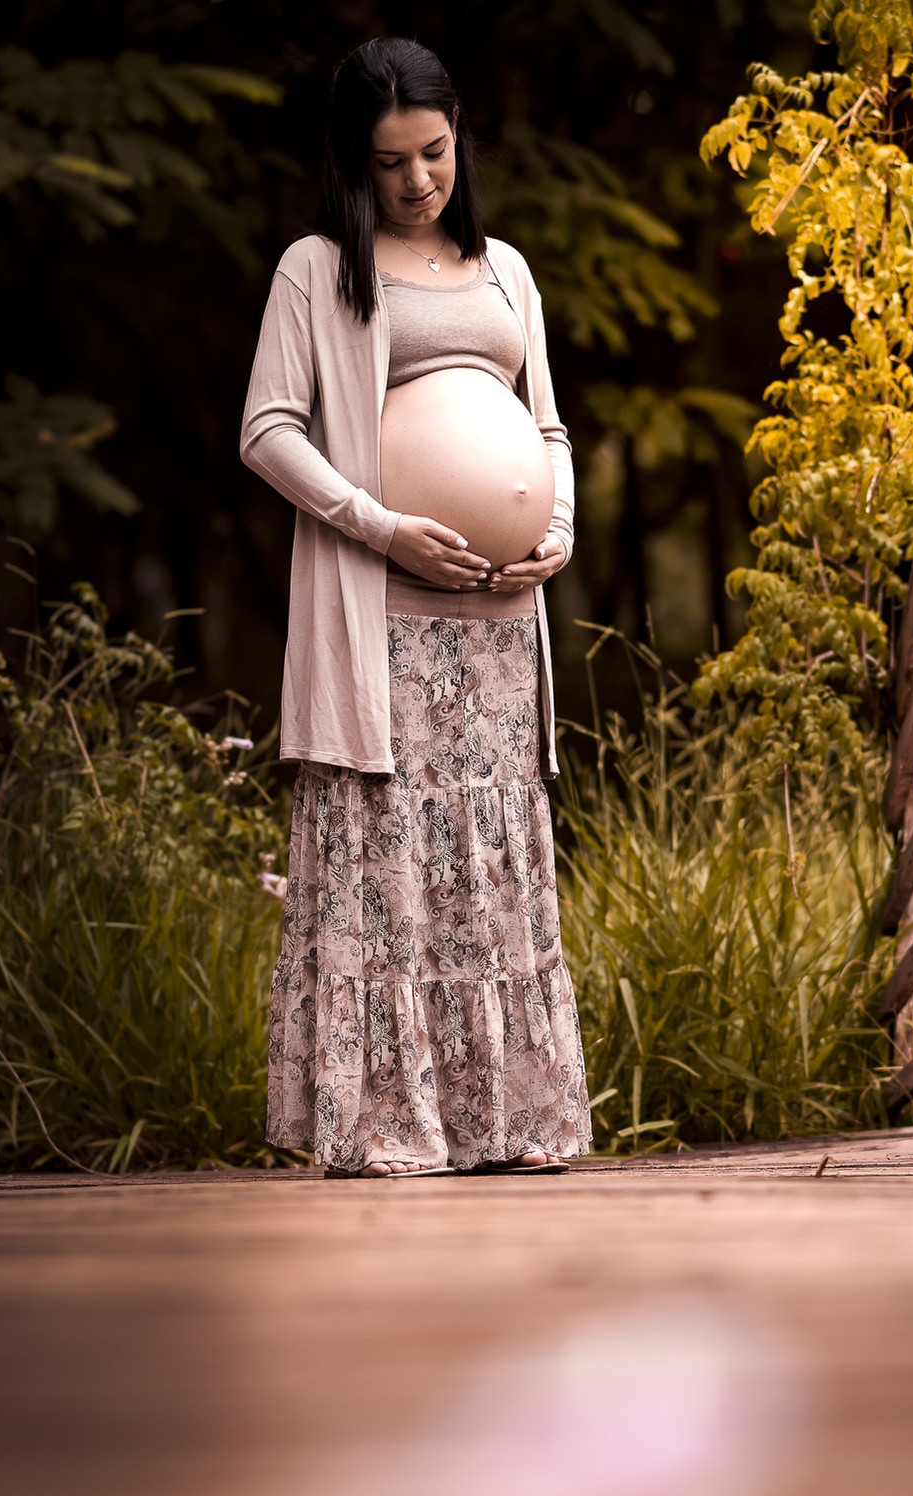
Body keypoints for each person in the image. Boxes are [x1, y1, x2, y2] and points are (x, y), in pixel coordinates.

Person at [241, 36, 592, 1179]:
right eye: (391, 162)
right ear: (357, 161)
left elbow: (546, 429)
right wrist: (384, 525)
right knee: (393, 867)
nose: (418, 181)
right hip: (381, 625)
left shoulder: (509, 273)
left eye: (434, 153)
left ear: (460, 141)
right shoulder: (315, 269)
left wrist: (556, 530)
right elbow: (268, 433)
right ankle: (393, 1123)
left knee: (485, 864)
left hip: (496, 633)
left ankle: (506, 1120)